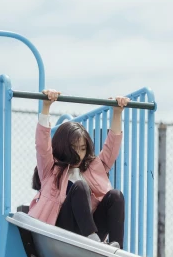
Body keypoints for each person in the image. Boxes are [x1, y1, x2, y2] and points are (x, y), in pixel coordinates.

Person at [28, 89, 129, 248]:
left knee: (116, 195)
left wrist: (117, 113)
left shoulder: (93, 168)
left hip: (89, 232)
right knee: (80, 187)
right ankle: (93, 240)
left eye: (82, 148)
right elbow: (42, 145)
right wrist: (46, 106)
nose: (79, 154)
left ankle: (117, 251)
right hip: (61, 232)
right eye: (74, 148)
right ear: (63, 147)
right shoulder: (51, 169)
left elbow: (111, 148)